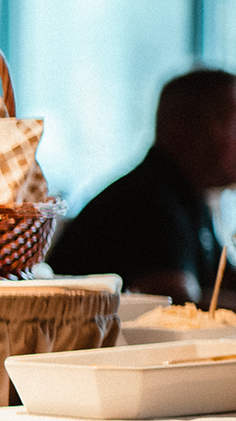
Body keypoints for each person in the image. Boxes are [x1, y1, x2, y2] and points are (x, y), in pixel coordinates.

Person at [49, 68, 236, 306]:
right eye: (232, 124)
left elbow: (224, 279)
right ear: (182, 126)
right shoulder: (145, 200)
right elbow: (178, 303)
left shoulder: (188, 195)